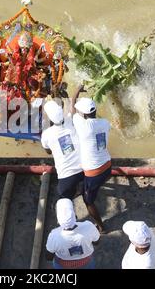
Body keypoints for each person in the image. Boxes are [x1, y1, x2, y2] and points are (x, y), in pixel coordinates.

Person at [71, 85, 112, 233]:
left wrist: (76, 91)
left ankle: (101, 227)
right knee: (88, 183)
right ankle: (85, 188)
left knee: (88, 201)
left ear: (83, 115)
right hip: (108, 166)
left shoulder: (82, 126)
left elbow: (72, 110)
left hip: (94, 173)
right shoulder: (105, 123)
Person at [41, 100, 83, 199]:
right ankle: (81, 188)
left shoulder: (46, 134)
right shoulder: (72, 120)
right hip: (85, 168)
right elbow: (72, 108)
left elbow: (48, 151)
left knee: (63, 196)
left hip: (66, 174)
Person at [46, 198, 99, 269]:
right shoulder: (89, 226)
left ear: (58, 220)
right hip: (86, 264)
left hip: (63, 266)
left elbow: (48, 257)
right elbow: (96, 242)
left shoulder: (54, 236)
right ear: (75, 215)